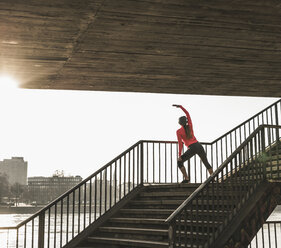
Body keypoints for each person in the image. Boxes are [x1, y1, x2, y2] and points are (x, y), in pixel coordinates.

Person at [173, 104, 213, 183]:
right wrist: (181, 107)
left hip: (192, 148)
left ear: (179, 123)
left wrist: (179, 155)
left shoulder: (178, 131)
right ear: (186, 121)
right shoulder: (190, 125)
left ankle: (187, 179)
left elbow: (180, 144)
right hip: (199, 145)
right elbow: (187, 114)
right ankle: (213, 178)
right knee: (206, 162)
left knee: (179, 162)